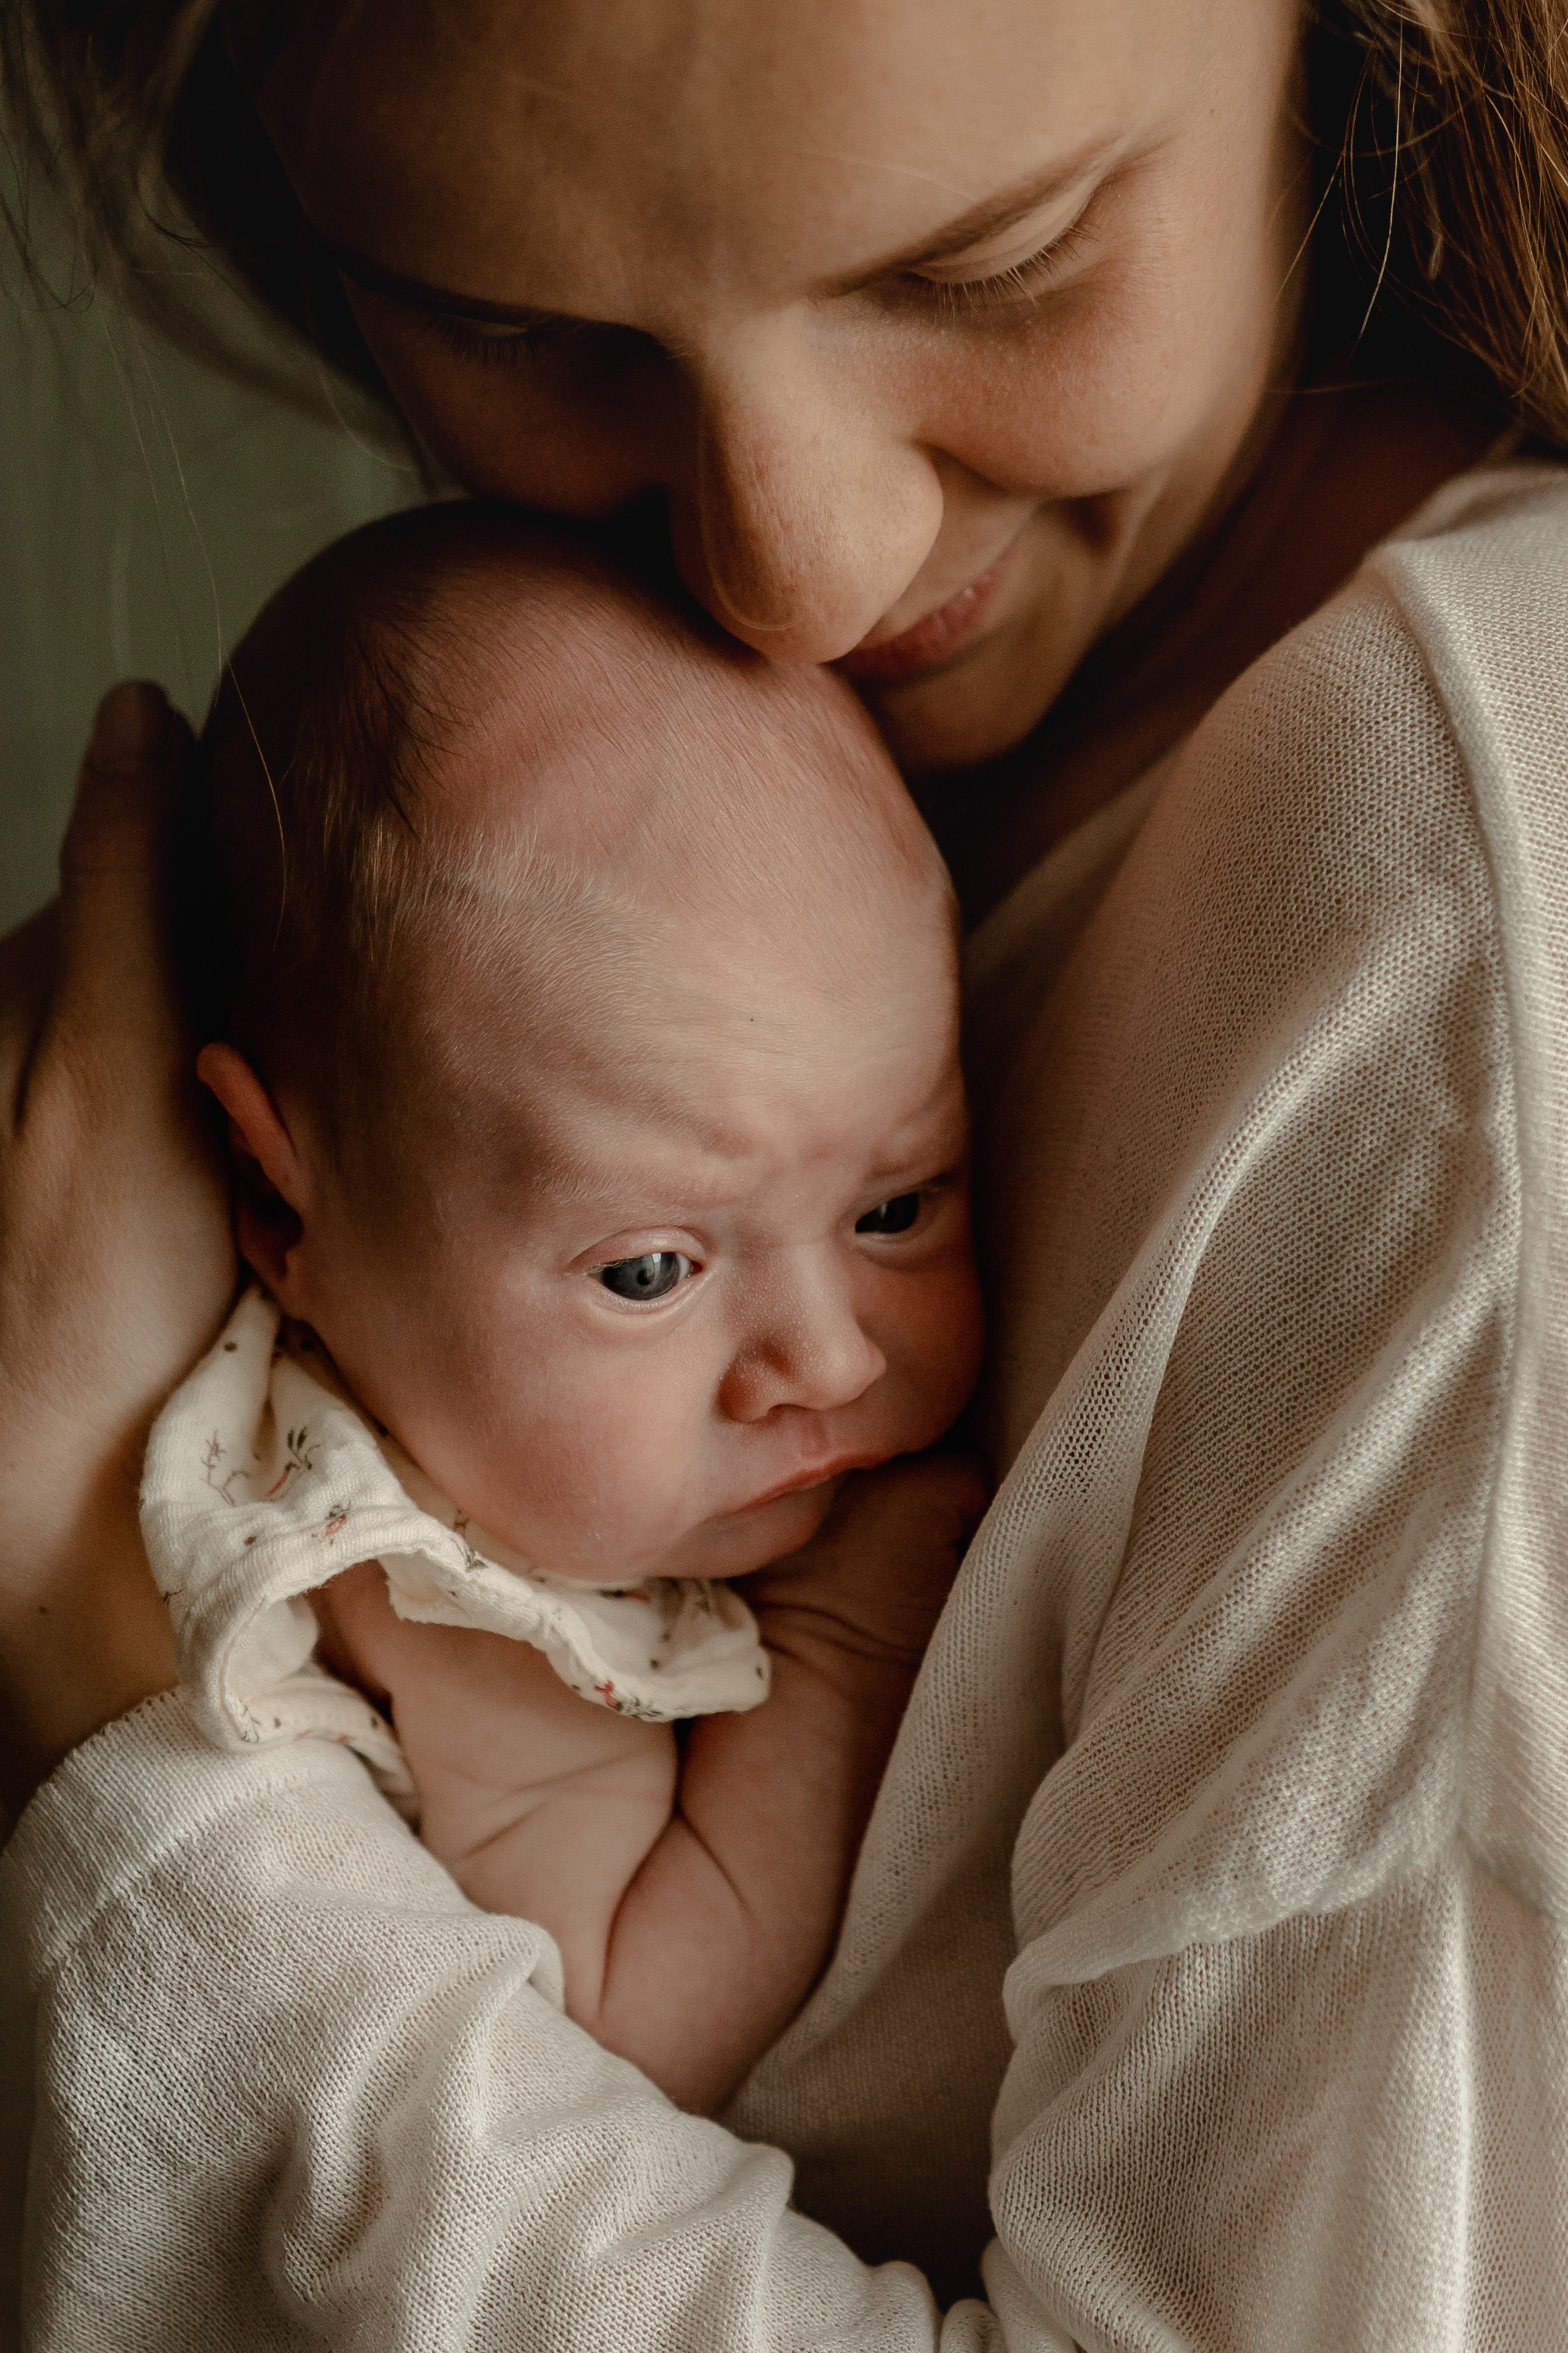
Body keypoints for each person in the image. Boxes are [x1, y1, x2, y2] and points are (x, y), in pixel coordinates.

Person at [3, 0, 1567, 2342]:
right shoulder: (598, 769)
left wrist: (118, 1696)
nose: (801, 574)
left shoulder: (1471, 900)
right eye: (517, 325)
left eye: (999, 260)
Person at [152, 502, 983, 2116]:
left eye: (895, 1206)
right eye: (650, 1271)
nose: (828, 1356)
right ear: (277, 1207)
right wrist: (841, 1647)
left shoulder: (516, 1419)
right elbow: (619, 2032)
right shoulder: (425, 1597)